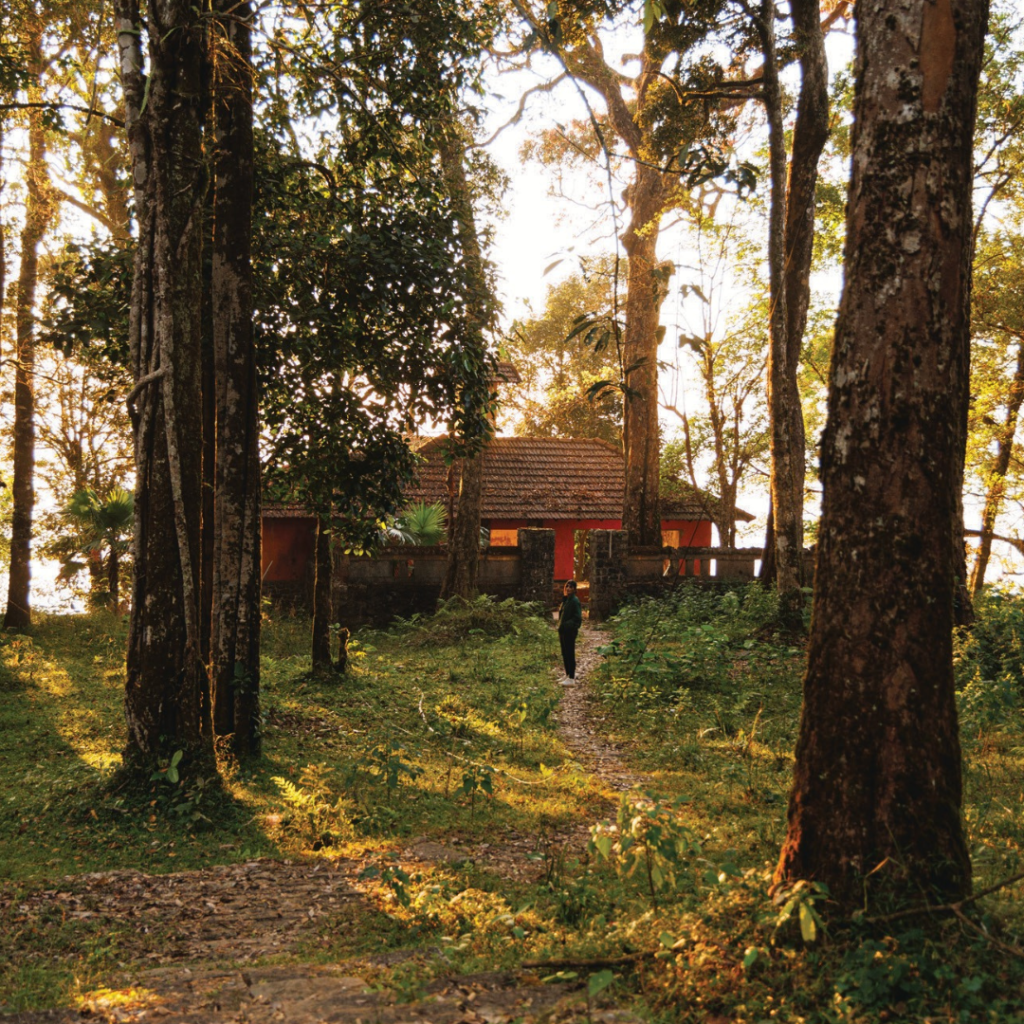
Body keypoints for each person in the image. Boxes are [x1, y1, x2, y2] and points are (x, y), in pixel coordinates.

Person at [557, 579, 583, 685]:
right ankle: (567, 674)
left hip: (569, 631)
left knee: (570, 653)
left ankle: (571, 678)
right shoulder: (566, 600)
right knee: (565, 653)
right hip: (563, 631)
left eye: (571, 587)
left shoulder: (574, 601)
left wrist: (566, 625)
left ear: (574, 589)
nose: (568, 588)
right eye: (567, 586)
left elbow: (577, 618)